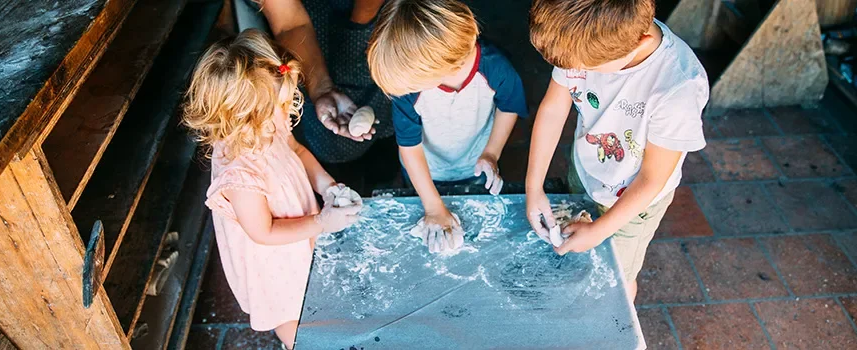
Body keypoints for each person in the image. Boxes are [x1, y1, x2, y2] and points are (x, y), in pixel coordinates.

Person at [183, 30, 362, 349]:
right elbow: (262, 232)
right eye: (278, 106)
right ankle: (298, 343)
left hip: (297, 232)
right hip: (272, 259)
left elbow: (296, 150)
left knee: (308, 289)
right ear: (243, 115)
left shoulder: (267, 123)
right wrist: (322, 223)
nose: (285, 114)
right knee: (289, 313)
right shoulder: (239, 171)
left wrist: (328, 186)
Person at [525, 0, 709, 302]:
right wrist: (534, 186)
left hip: (635, 202)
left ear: (641, 41)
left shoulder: (677, 89)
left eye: (589, 67)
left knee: (617, 278)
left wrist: (599, 231)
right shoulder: (578, 40)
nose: (577, 71)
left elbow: (652, 178)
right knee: (579, 248)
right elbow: (554, 108)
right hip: (586, 169)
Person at [367, 0, 528, 253]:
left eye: (415, 81)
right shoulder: (408, 90)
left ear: (444, 66)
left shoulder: (495, 68)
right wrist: (432, 207)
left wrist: (492, 153)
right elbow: (410, 147)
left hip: (475, 161)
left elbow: (508, 107)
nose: (407, 88)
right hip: (425, 168)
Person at [241, 0, 396, 167]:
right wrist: (321, 89)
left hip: (370, 10)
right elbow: (290, 24)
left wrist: (359, 26)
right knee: (328, 140)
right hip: (318, 14)